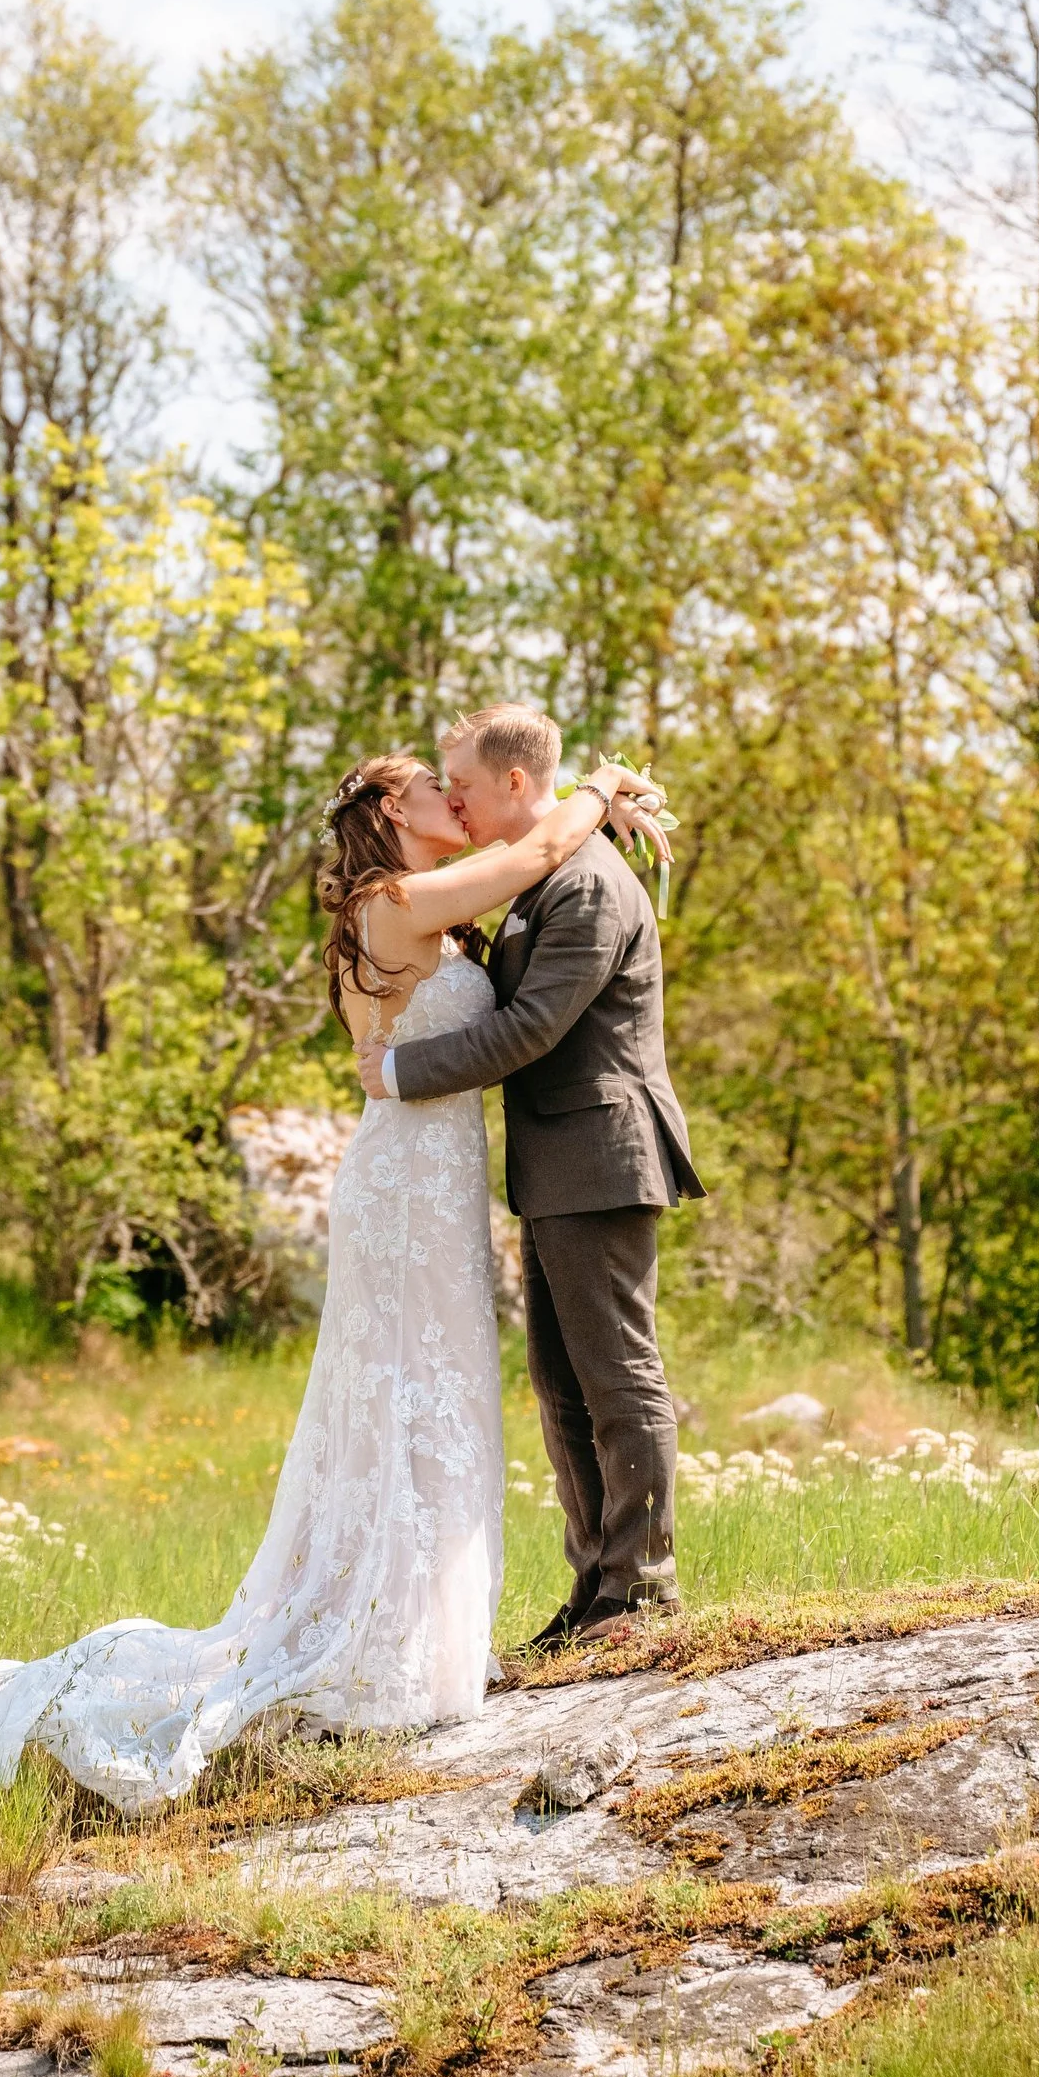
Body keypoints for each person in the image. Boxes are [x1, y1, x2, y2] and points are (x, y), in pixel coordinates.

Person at [0, 739, 664, 1813]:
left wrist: (581, 804)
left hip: (433, 1180)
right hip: (404, 1184)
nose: (453, 798)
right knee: (402, 1393)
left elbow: (533, 872)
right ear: (390, 813)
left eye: (460, 781)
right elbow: (539, 850)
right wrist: (594, 793)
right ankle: (385, 1630)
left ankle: (440, 1624)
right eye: (435, 788)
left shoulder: (422, 898)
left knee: (431, 1396)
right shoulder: (397, 900)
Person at [355, 704, 702, 1647]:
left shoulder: (586, 886)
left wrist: (397, 1074)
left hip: (601, 1153)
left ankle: (642, 1590)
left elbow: (530, 1030)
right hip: (555, 1164)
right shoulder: (539, 881)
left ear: (515, 783)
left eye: (461, 784)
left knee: (618, 1376)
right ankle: (596, 1586)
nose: (455, 801)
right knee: (561, 1383)